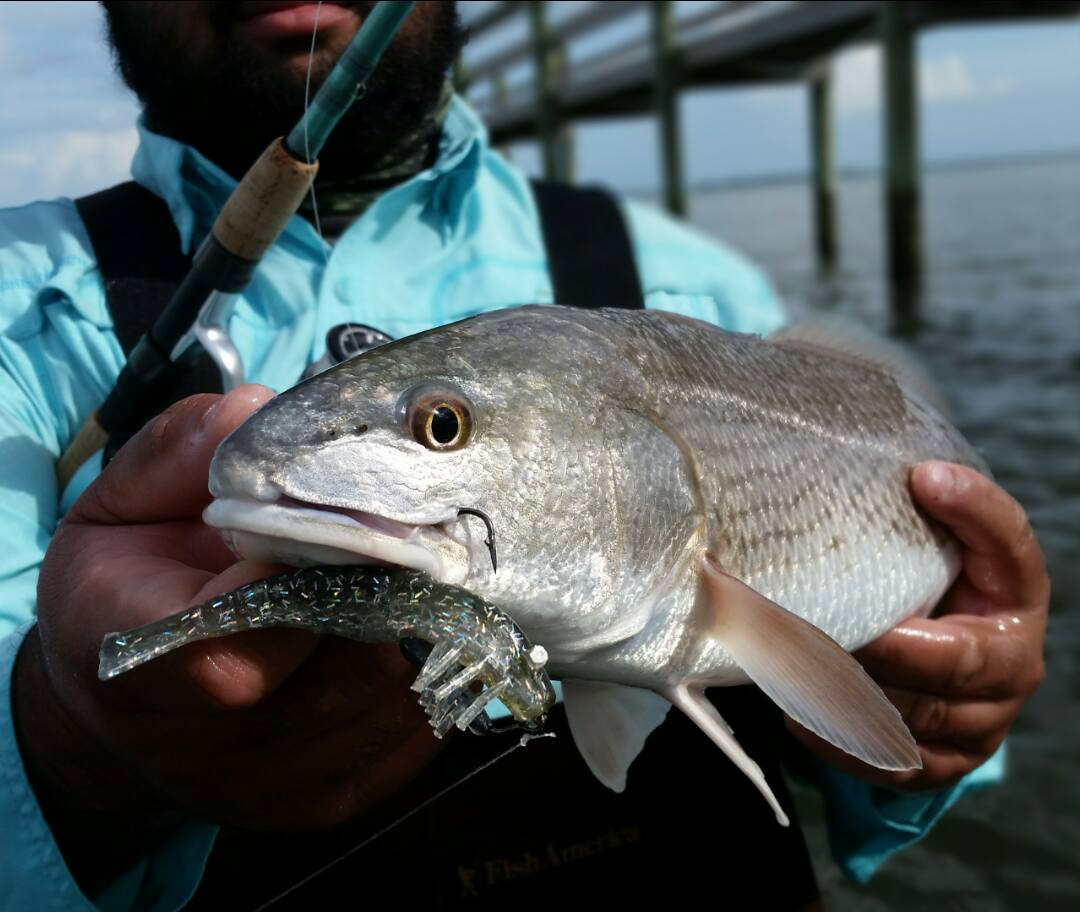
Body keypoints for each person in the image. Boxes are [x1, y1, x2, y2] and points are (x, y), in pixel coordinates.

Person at [0, 2, 1048, 909]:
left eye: (442, 427)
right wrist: (73, 756)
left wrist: (940, 720)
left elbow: (904, 746)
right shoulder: (21, 318)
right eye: (440, 427)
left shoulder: (701, 286)